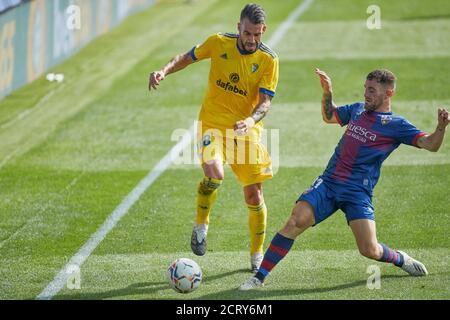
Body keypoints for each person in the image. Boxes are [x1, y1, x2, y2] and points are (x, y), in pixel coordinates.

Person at [239, 68, 449, 290]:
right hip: (329, 183)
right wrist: (327, 91)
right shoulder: (358, 109)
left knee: (370, 250)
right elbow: (329, 115)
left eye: (372, 90)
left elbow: (431, 145)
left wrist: (440, 128)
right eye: (365, 88)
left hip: (357, 192)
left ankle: (400, 259)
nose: (366, 94)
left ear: (388, 94)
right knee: (295, 221)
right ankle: (259, 277)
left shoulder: (396, 125)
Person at [148, 4, 279, 272]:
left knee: (254, 196)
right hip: (213, 126)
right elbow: (186, 57)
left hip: (246, 131)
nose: (251, 39)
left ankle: (256, 253)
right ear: (238, 27)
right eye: (247, 33)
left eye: (256, 34)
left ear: (263, 30)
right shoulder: (218, 42)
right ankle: (201, 225)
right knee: (214, 175)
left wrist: (251, 120)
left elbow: (265, 102)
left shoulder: (269, 60)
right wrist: (163, 70)